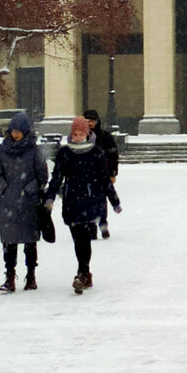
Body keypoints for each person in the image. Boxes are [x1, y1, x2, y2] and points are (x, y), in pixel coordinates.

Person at [45, 116, 121, 294]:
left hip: (90, 199)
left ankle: (82, 272)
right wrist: (50, 198)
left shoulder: (96, 152)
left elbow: (104, 178)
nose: (78, 137)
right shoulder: (65, 153)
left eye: (81, 134)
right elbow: (57, 178)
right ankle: (85, 272)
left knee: (84, 239)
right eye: (75, 134)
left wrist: (114, 200)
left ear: (87, 134)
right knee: (77, 238)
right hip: (72, 200)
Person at [0, 112, 48, 292]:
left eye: (18, 131)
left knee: (30, 241)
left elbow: (42, 176)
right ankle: (9, 276)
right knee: (9, 242)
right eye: (13, 131)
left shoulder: (34, 151)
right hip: (8, 201)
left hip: (29, 203)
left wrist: (30, 189)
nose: (15, 135)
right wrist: (4, 187)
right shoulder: (3, 150)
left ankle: (31, 274)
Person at [83, 108, 118, 238]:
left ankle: (103, 223)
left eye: (92, 121)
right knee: (87, 202)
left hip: (102, 174)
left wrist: (113, 173)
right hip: (86, 174)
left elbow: (113, 155)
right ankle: (91, 226)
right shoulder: (81, 136)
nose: (90, 123)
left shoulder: (105, 137)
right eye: (87, 121)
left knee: (101, 201)